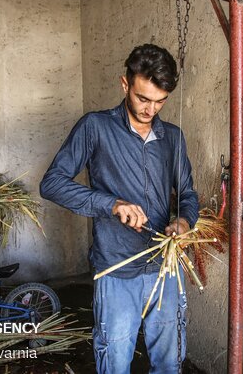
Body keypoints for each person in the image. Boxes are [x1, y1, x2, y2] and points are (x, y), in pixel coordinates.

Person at [40, 43, 199, 373]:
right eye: (143, 98)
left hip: (164, 269)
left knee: (170, 363)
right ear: (125, 84)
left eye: (159, 101)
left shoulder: (173, 137)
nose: (150, 109)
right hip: (116, 267)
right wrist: (110, 204)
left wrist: (184, 221)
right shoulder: (95, 127)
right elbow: (52, 183)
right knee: (115, 361)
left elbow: (188, 195)